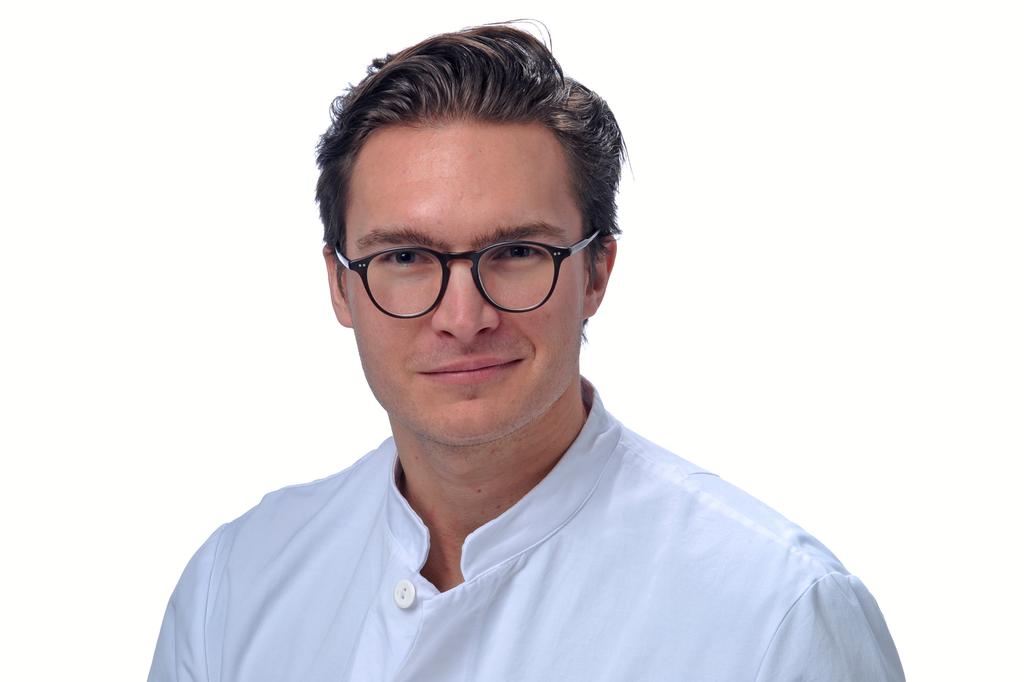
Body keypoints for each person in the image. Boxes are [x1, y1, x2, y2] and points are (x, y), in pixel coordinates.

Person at [148, 23, 905, 681]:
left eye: (515, 251)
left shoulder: (777, 615)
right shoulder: (234, 586)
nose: (463, 317)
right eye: (405, 258)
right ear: (340, 287)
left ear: (596, 272)